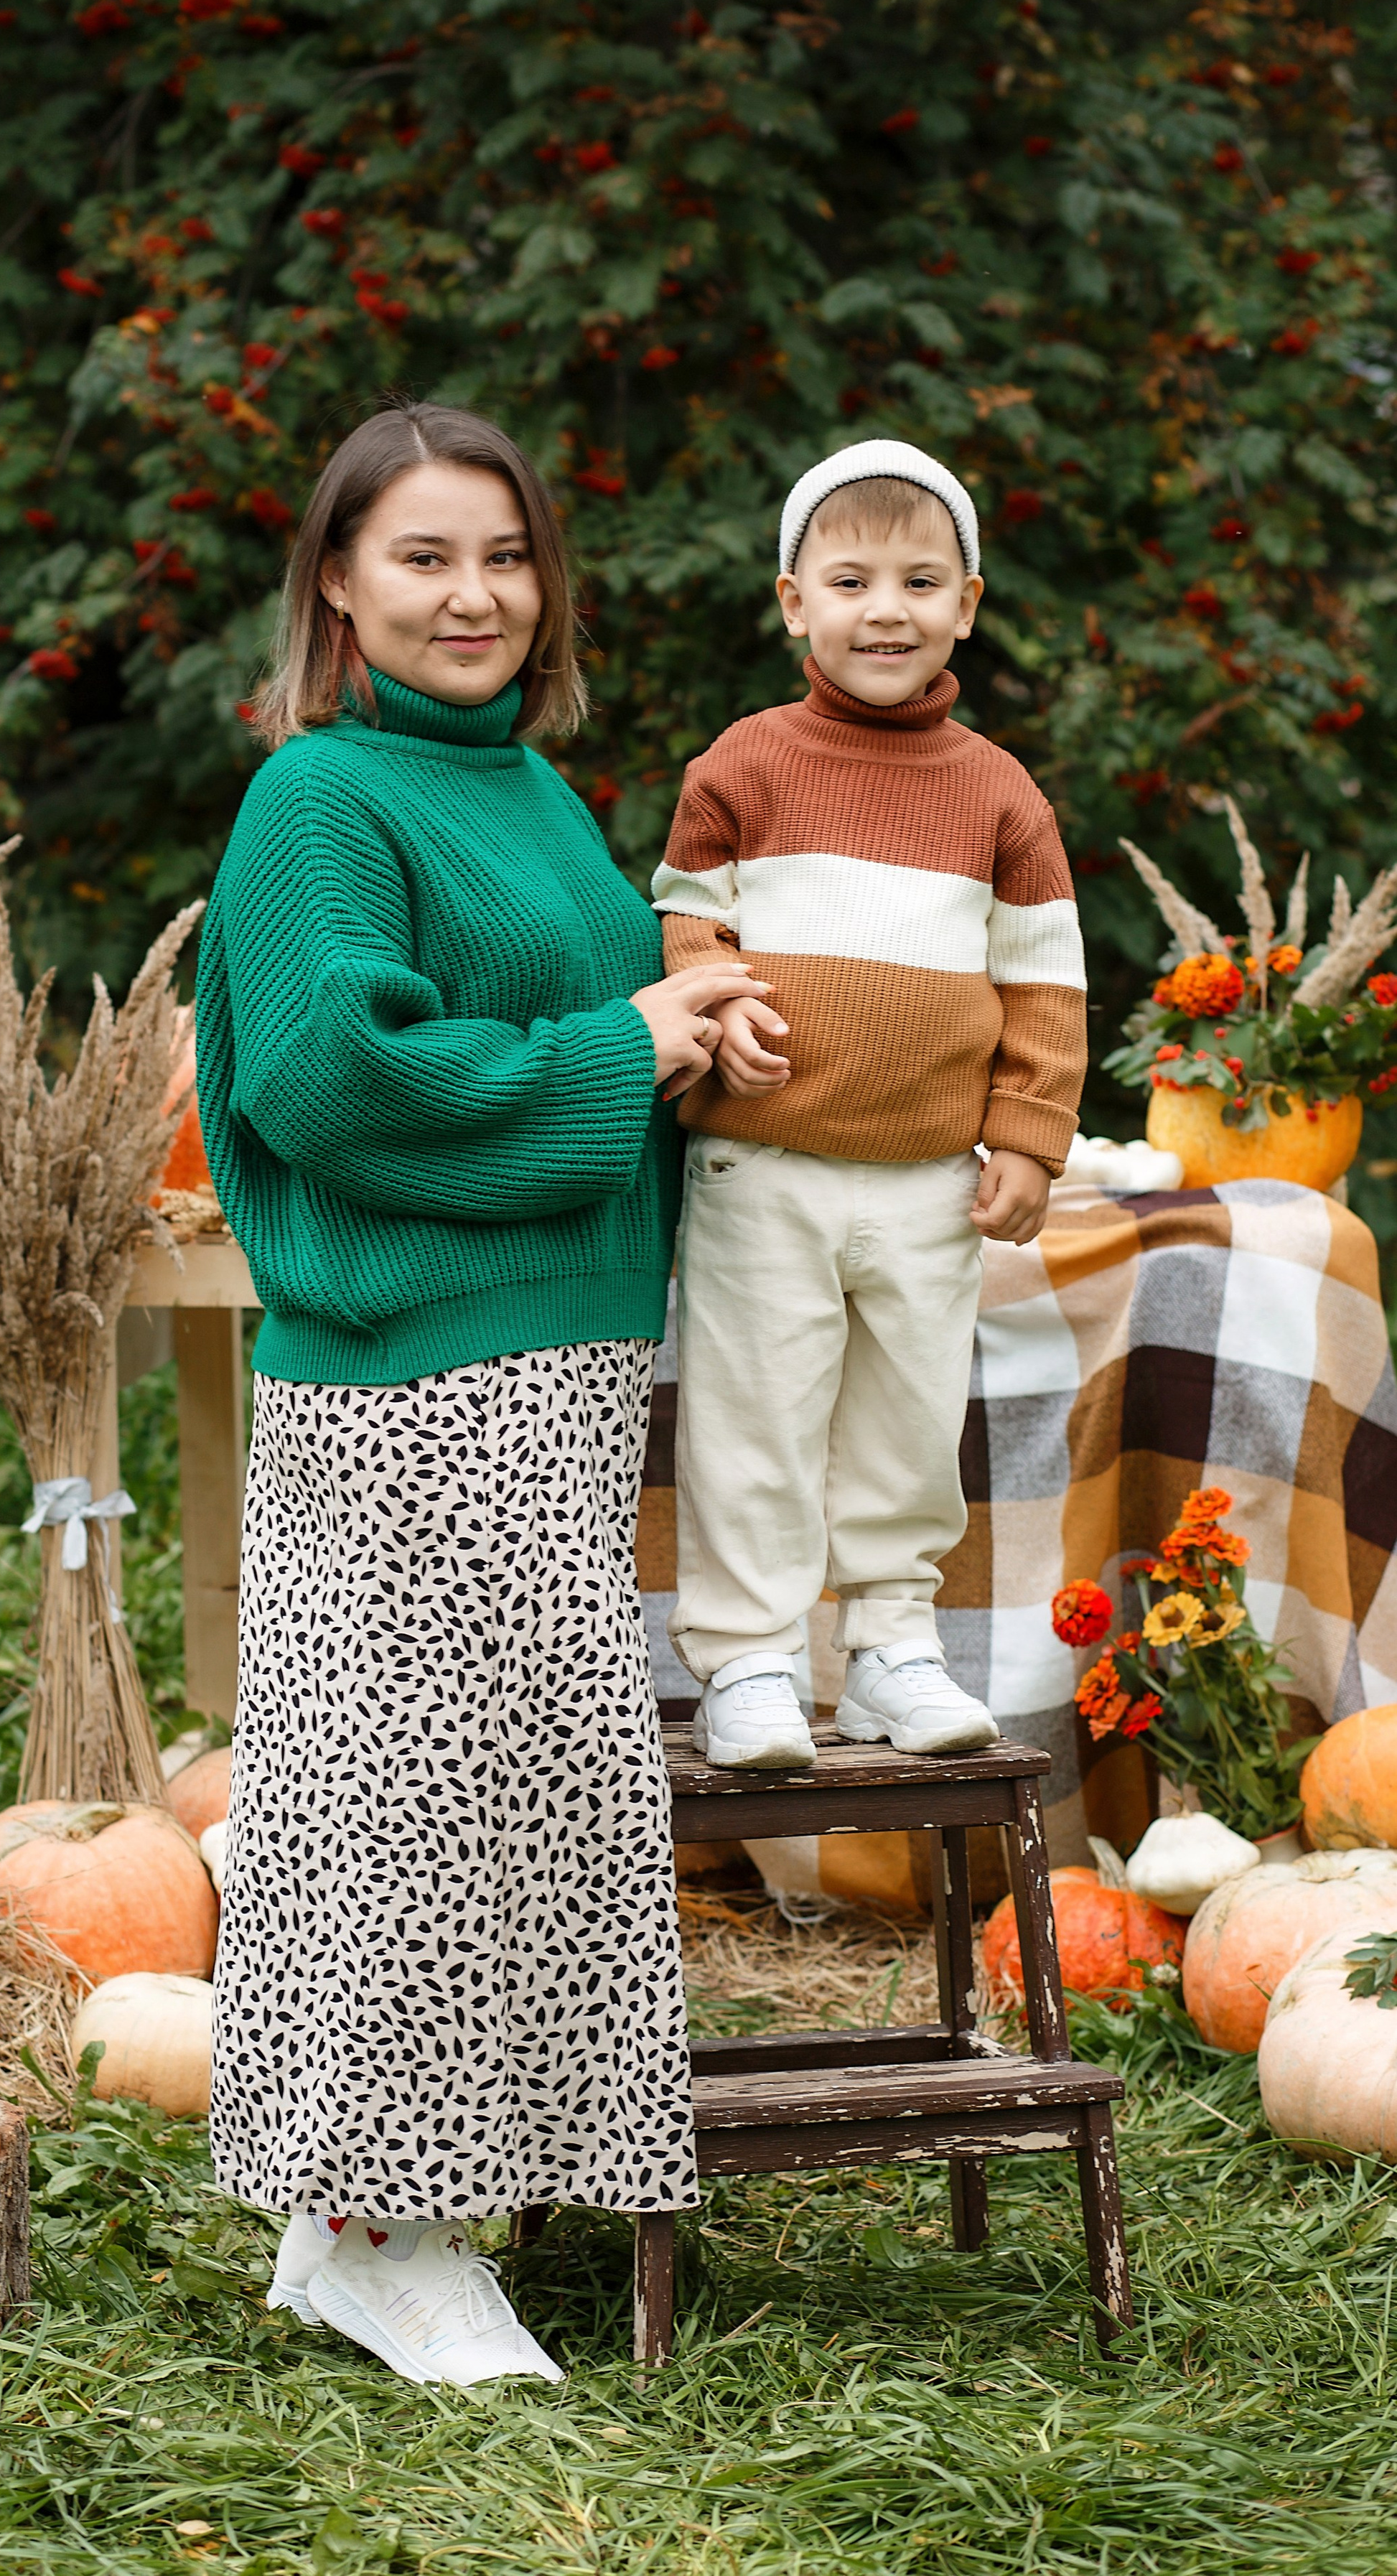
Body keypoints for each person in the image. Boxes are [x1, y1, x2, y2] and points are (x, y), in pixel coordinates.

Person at [193, 399, 765, 2386]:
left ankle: (363, 2210)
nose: (475, 594)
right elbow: (332, 1084)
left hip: (557, 1361)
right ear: (337, 584)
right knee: (424, 1808)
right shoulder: (319, 805)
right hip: (417, 1374)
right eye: (425, 556)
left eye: (506, 555)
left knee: (503, 1795)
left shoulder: (529, 791)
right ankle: (390, 2231)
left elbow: (584, 1027)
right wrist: (630, 1037)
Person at [651, 439, 1087, 1770]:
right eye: (850, 581)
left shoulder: (997, 790)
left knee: (908, 1422)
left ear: (967, 603)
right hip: (763, 1171)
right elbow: (689, 927)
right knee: (756, 1417)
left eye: (919, 581)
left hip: (923, 1180)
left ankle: (896, 1646)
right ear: (794, 603)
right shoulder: (747, 765)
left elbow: (1045, 978)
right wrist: (722, 1013)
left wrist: (1026, 1132)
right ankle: (752, 1665)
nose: (883, 609)